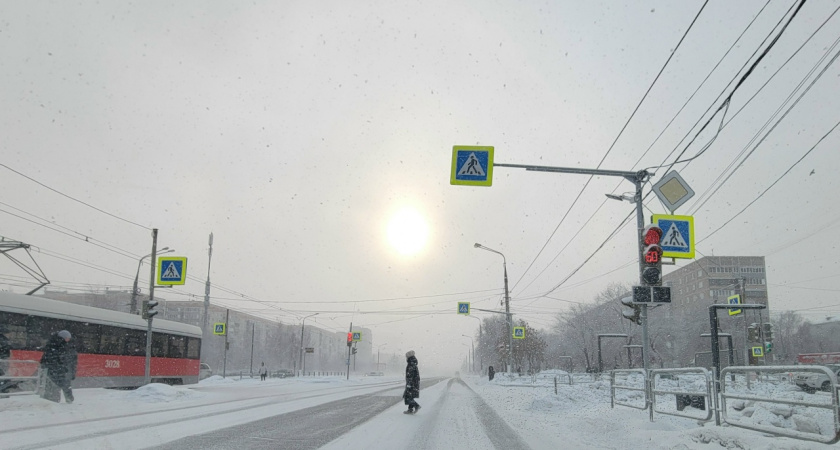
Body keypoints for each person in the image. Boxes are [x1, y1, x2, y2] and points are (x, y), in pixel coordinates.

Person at [40, 330, 74, 404]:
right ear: (63, 338)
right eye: (68, 338)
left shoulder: (53, 343)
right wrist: (61, 365)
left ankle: (53, 399)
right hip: (56, 368)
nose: (68, 340)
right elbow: (57, 357)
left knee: (56, 383)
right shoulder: (59, 345)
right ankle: (66, 399)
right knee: (63, 383)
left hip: (53, 368)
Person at [403, 350, 420, 414]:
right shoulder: (412, 362)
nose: (406, 358)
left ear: (409, 357)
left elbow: (410, 375)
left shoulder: (411, 364)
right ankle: (410, 409)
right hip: (414, 382)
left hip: (412, 383)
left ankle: (416, 406)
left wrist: (409, 384)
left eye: (406, 356)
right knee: (410, 396)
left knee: (408, 396)